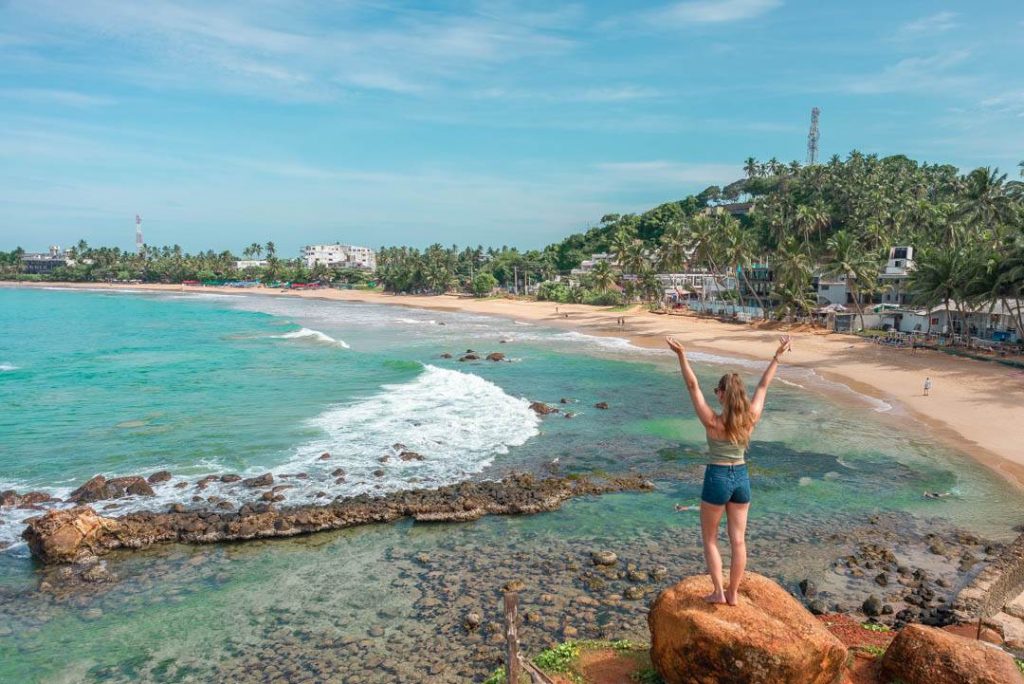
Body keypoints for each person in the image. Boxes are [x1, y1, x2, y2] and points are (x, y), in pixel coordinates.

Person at [666, 334, 791, 606]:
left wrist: (682, 354)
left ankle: (718, 593)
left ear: (722, 395)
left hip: (717, 477)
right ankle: (733, 593)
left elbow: (691, 385)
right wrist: (777, 356)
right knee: (738, 541)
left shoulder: (713, 421)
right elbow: (764, 386)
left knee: (710, 539)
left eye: (716, 392)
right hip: (741, 478)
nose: (714, 395)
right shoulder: (751, 419)